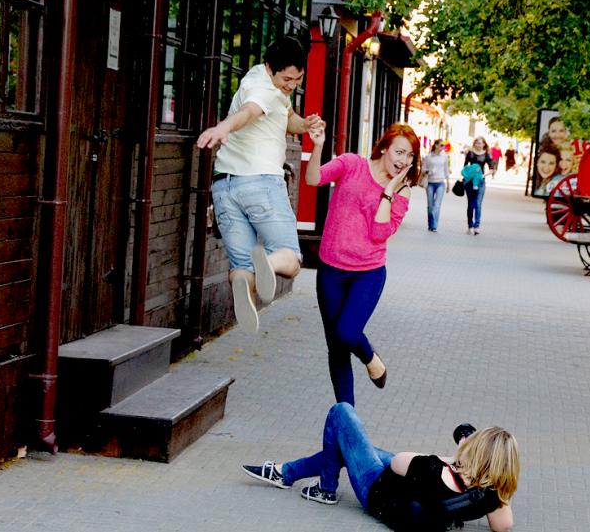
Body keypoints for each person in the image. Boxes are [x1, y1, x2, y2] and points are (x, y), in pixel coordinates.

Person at [196, 37, 324, 334]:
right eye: (286, 79)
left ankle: (245, 281)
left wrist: (305, 125)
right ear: (270, 69)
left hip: (225, 188)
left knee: (241, 268)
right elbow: (250, 111)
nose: (292, 84)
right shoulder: (262, 89)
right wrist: (223, 127)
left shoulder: (257, 78)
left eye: (298, 79)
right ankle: (269, 260)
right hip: (261, 183)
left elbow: (284, 116)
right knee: (291, 260)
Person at [241, 402, 519, 532]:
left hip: (378, 488)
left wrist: (458, 454)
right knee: (345, 446)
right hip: (411, 492)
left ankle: (325, 489)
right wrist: (492, 477)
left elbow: (400, 462)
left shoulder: (432, 467)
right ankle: (286, 472)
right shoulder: (488, 496)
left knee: (342, 414)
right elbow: (503, 525)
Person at [304, 123, 419, 405]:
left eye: (410, 156)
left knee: (347, 332)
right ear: (384, 147)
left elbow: (379, 234)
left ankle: (371, 358)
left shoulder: (403, 191)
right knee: (336, 348)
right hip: (331, 270)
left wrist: (390, 189)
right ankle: (348, 420)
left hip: (367, 274)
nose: (403, 160)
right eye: (399, 152)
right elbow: (313, 179)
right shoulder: (351, 163)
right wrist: (317, 146)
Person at [463, 137, 493, 235]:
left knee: (478, 204)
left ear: (484, 144)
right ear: (474, 144)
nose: (479, 145)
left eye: (480, 143)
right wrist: (469, 173)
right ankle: (470, 226)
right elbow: (465, 166)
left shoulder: (486, 155)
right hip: (470, 182)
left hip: (480, 182)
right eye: (477, 143)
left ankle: (477, 226)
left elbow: (492, 169)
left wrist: (482, 175)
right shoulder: (470, 154)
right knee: (471, 204)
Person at [422, 139, 450, 232]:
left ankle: (434, 226)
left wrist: (448, 184)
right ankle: (430, 224)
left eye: (444, 146)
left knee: (437, 206)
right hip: (430, 183)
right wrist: (427, 171)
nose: (443, 147)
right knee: (430, 206)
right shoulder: (428, 157)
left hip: (440, 183)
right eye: (442, 145)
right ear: (436, 145)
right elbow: (423, 169)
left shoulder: (445, 156)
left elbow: (446, 170)